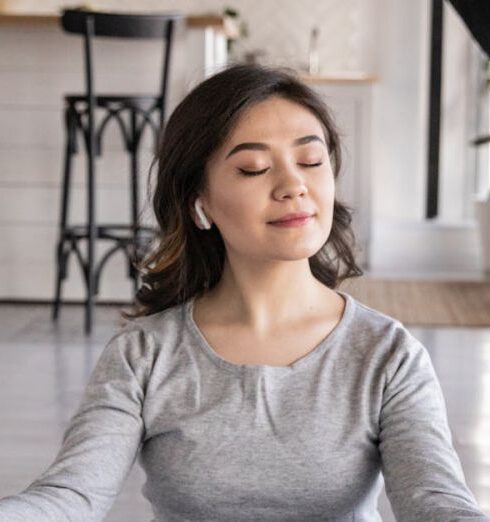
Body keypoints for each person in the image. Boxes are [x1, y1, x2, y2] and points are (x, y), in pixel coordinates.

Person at [0, 63, 488, 522]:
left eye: (311, 160)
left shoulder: (388, 354)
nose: (293, 184)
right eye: (254, 168)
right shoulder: (144, 355)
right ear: (200, 203)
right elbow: (70, 496)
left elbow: (436, 501)